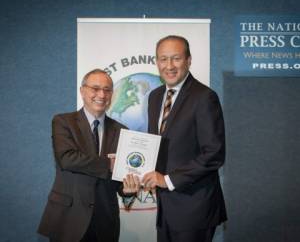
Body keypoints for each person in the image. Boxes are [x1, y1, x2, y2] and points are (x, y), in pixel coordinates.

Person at [38, 69, 140, 242]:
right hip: (68, 218)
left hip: (105, 221)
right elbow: (67, 159)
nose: (101, 94)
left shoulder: (122, 131)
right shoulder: (63, 122)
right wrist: (108, 164)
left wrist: (128, 191)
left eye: (107, 90)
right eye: (95, 88)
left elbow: (120, 179)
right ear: (82, 91)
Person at [142, 36, 227, 242]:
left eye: (176, 58)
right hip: (166, 207)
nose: (169, 66)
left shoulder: (204, 97)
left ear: (188, 60)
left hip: (194, 208)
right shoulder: (154, 97)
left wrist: (167, 180)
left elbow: (214, 154)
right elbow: (158, 146)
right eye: (163, 59)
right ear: (157, 62)